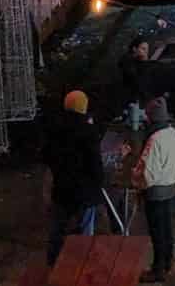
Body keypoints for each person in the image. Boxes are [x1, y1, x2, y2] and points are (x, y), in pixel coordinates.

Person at [42, 91, 103, 265]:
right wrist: (98, 185)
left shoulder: (55, 129)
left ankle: (53, 262)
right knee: (85, 229)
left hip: (62, 187)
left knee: (58, 228)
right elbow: (95, 163)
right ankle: (83, 263)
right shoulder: (89, 131)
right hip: (85, 191)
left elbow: (47, 156)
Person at [132, 97, 175, 283]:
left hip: (155, 192)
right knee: (167, 229)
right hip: (170, 187)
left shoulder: (154, 139)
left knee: (157, 232)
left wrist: (136, 179)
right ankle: (168, 262)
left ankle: (158, 268)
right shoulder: (173, 133)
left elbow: (149, 172)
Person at [120, 35, 159, 116]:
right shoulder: (126, 61)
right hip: (127, 100)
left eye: (147, 49)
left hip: (137, 100)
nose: (146, 52)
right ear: (134, 49)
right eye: (143, 49)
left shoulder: (138, 62)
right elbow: (137, 80)